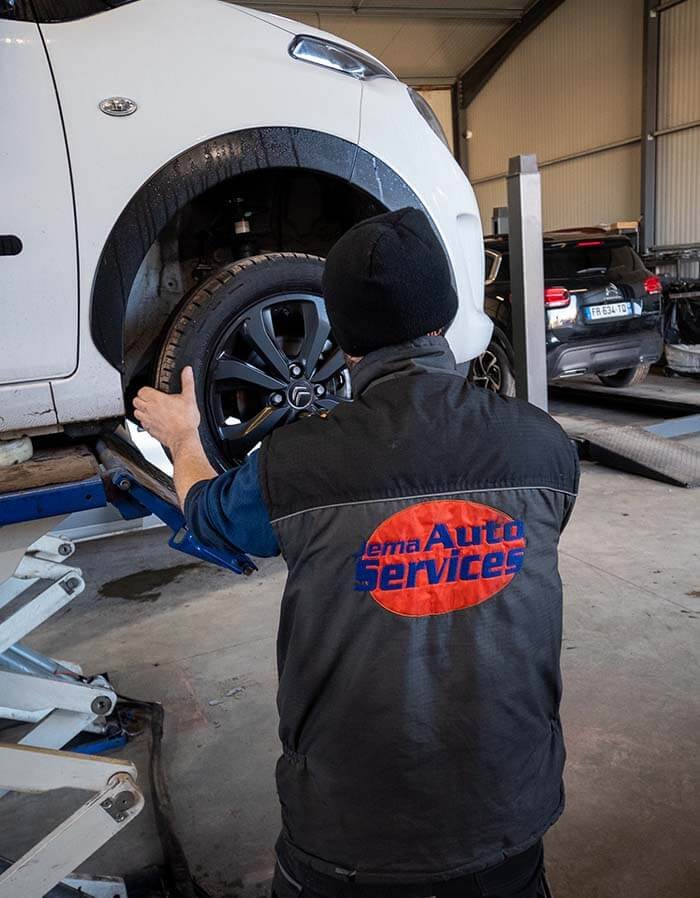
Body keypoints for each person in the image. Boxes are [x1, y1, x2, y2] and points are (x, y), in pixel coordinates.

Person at [134, 208, 579, 898]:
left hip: (349, 843)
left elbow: (207, 515)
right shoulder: (545, 446)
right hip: (510, 822)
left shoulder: (295, 463)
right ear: (445, 317)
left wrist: (183, 437)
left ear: (341, 340)